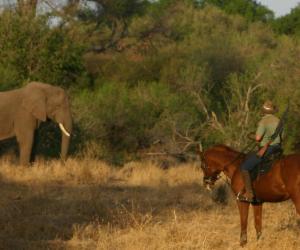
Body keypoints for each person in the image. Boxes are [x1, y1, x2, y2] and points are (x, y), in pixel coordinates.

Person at [238, 100, 282, 203]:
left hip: (267, 149)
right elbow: (281, 137)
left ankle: (249, 194)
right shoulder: (279, 120)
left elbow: (258, 138)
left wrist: (251, 135)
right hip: (278, 149)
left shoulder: (263, 121)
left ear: (264, 111)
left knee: (245, 167)